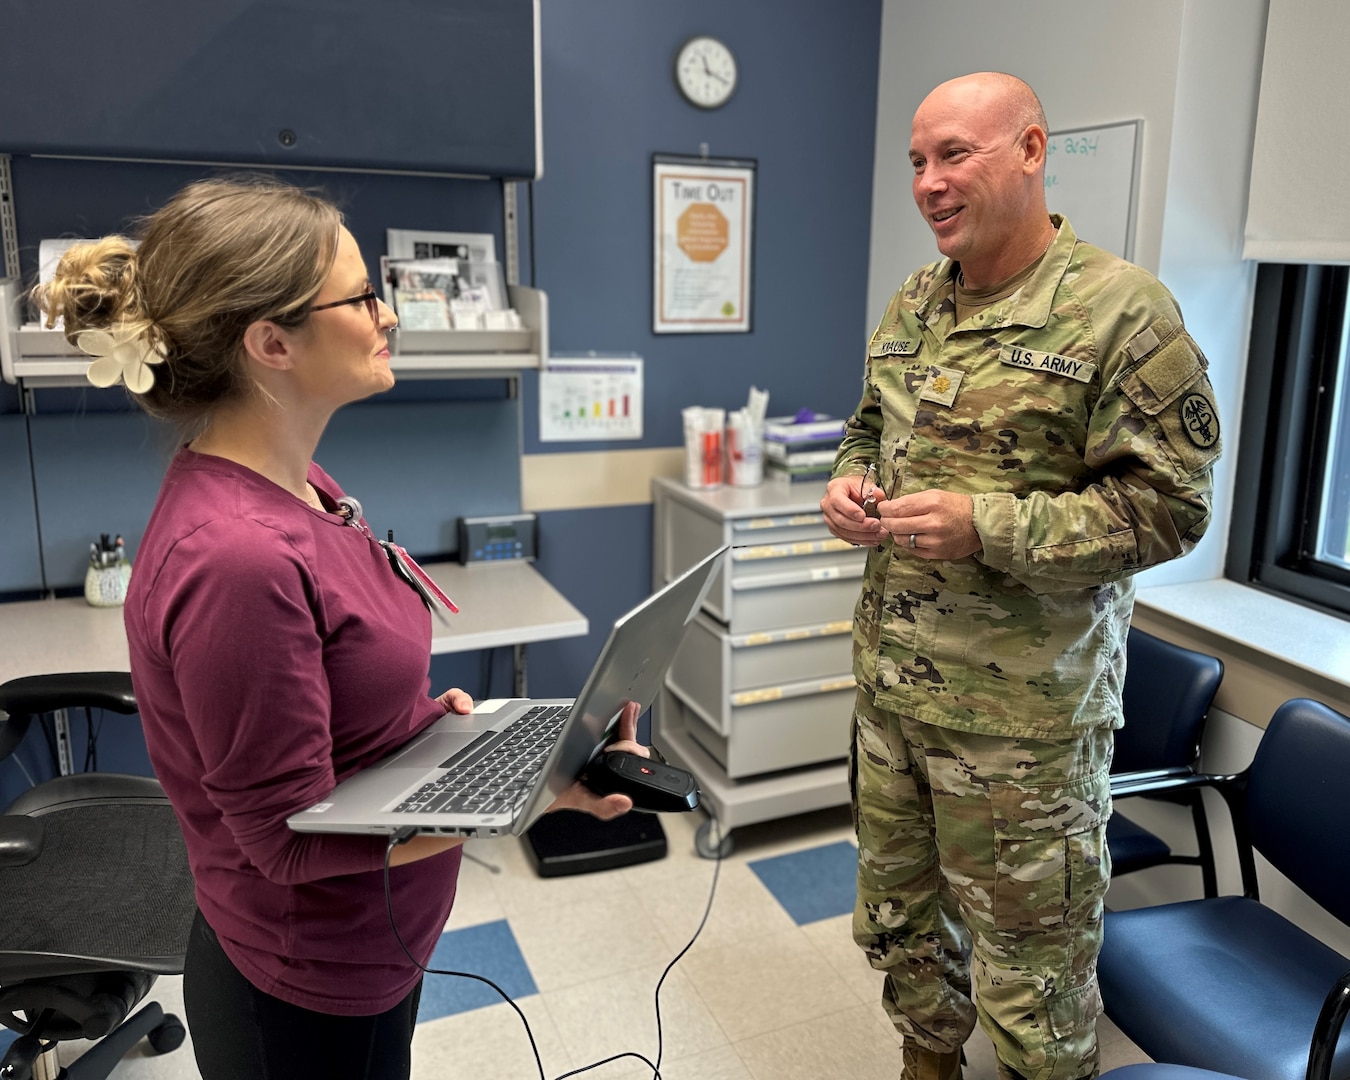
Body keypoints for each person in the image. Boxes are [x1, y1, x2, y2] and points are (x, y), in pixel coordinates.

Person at [35, 175, 648, 1080]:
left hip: (370, 940)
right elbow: (286, 842)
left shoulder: (300, 482)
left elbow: (333, 698)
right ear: (271, 342)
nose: (388, 313)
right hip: (302, 985)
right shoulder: (235, 558)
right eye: (363, 296)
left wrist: (435, 737)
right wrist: (521, 798)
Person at [820, 73, 1221, 1080]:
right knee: (900, 925)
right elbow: (868, 426)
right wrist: (848, 483)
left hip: (1021, 731)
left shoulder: (1122, 311)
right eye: (917, 162)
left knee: (1031, 982)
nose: (929, 182)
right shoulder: (917, 300)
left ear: (1031, 150)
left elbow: (1170, 510)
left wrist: (985, 526)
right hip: (894, 692)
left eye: (954, 154)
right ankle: (927, 1064)